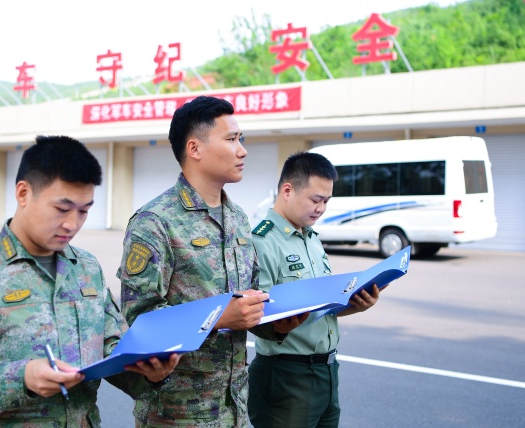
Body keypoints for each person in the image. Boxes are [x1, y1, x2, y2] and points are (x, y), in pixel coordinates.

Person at [0, 135, 179, 427]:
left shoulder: (86, 267)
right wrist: (23, 378)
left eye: (84, 210)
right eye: (62, 208)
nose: (72, 223)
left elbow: (110, 346)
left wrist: (149, 372)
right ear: (23, 193)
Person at [117, 96, 272, 427]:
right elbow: (139, 320)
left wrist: (277, 322)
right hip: (178, 414)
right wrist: (215, 318)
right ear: (195, 148)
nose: (242, 150)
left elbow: (252, 296)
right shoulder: (155, 221)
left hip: (236, 408)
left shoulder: (238, 218)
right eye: (231, 139)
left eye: (240, 139)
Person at [248, 151, 382, 428]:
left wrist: (354, 304)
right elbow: (256, 315)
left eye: (326, 201)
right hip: (287, 373)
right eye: (315, 199)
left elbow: (323, 306)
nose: (321, 208)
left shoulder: (311, 238)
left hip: (327, 370)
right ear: (287, 190)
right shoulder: (262, 241)